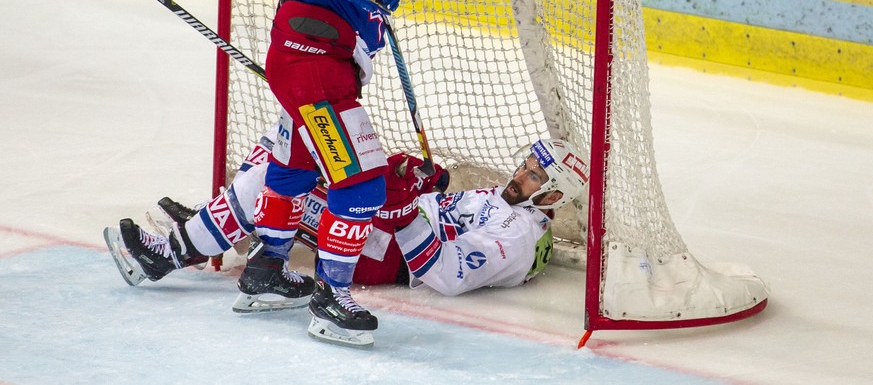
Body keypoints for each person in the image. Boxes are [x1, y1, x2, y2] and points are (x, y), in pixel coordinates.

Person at [107, 0, 433, 348]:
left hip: (313, 66)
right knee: (361, 183)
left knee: (292, 169)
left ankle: (266, 274)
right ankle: (332, 299)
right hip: (315, 73)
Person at [105, 135, 589, 344]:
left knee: (274, 178)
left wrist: (397, 209)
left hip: (381, 257)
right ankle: (220, 228)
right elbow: (430, 211)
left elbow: (444, 272)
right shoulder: (506, 201)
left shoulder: (519, 237)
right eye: (526, 165)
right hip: (385, 231)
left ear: (553, 195)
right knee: (282, 149)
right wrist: (414, 179)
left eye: (533, 176)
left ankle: (169, 253)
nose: (521, 174)